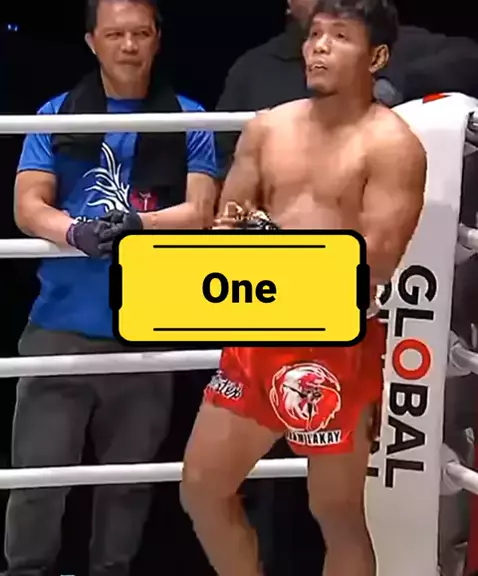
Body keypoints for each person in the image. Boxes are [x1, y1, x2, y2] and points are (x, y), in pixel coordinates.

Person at [180, 1, 427, 576]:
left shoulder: (391, 146)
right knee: (202, 487)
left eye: (339, 36)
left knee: (335, 511)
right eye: (315, 34)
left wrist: (282, 256)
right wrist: (243, 237)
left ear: (376, 57)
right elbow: (228, 224)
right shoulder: (268, 128)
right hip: (258, 329)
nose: (318, 47)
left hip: (332, 343)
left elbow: (375, 263)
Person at [7, 0, 218, 575]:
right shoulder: (56, 114)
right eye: (116, 33)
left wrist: (139, 225)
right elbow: (28, 205)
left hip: (147, 325)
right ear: (91, 41)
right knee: (37, 482)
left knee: (128, 484)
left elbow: (201, 210)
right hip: (60, 324)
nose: (128, 45)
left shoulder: (189, 117)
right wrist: (73, 231)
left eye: (140, 33)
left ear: (157, 39)